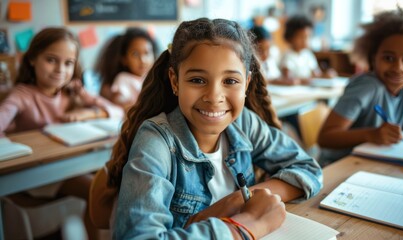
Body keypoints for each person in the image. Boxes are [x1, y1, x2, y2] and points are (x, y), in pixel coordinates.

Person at [97, 18, 323, 239]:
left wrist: (242, 198)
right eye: (197, 80)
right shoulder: (157, 141)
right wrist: (246, 224)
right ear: (175, 81)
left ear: (246, 83)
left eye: (230, 81)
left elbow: (308, 168)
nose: (214, 97)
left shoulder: (243, 123)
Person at [0, 27, 124, 239]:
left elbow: (117, 111)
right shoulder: (22, 95)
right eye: (51, 60)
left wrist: (86, 107)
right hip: (37, 176)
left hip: (70, 167)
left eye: (68, 63)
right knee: (100, 192)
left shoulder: (71, 93)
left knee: (110, 184)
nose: (60, 69)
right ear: (32, 60)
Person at [317, 8, 403, 166]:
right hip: (338, 166)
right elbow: (325, 138)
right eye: (388, 58)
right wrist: (371, 134)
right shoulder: (367, 87)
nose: (398, 68)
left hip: (376, 163)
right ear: (372, 58)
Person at [96, 27, 158, 110]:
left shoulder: (154, 78)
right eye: (135, 54)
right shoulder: (123, 78)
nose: (142, 60)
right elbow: (118, 99)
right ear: (124, 59)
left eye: (147, 53)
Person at [280, 15, 336, 85]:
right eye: (301, 37)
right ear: (290, 37)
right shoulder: (288, 56)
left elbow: (316, 74)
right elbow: (288, 79)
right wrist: (307, 80)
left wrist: (325, 75)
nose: (305, 41)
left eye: (308, 37)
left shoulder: (308, 54)